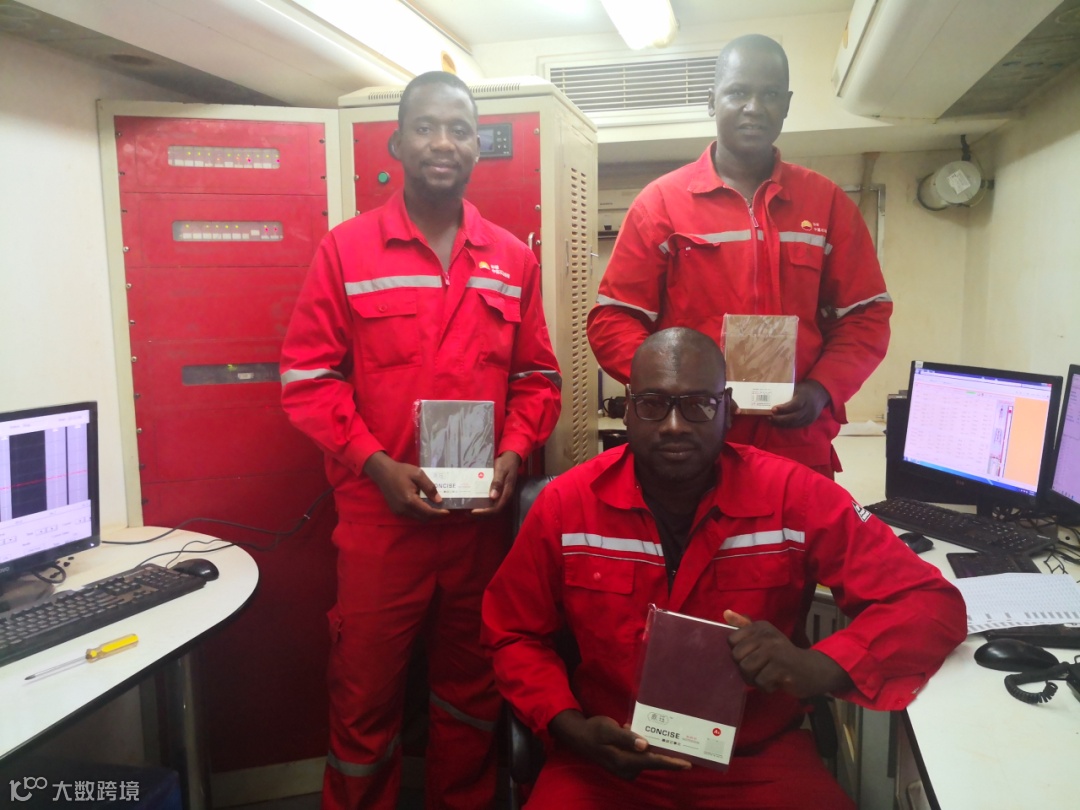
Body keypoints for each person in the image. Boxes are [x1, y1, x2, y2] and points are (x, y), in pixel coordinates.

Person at [482, 327, 965, 809]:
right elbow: (511, 632)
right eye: (652, 404)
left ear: (728, 409)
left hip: (755, 760)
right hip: (605, 758)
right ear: (627, 410)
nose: (674, 425)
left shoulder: (792, 497)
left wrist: (818, 666)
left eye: (698, 404)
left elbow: (928, 603)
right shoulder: (567, 506)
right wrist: (569, 725)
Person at [280, 71, 562, 810]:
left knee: (471, 695)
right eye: (427, 127)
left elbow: (538, 378)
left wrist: (514, 453)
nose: (443, 142)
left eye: (460, 130)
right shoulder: (347, 251)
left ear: (477, 147)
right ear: (397, 143)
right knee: (364, 701)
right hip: (382, 525)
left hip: (478, 527)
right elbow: (307, 380)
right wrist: (375, 465)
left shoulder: (512, 259)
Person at [587, 34, 892, 478]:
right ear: (712, 101)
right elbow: (613, 320)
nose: (754, 107)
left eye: (770, 94)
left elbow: (866, 316)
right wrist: (678, 392)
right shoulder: (661, 204)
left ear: (787, 104)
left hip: (796, 441)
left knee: (798, 527)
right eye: (738, 92)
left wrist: (823, 387)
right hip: (692, 441)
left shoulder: (826, 203)